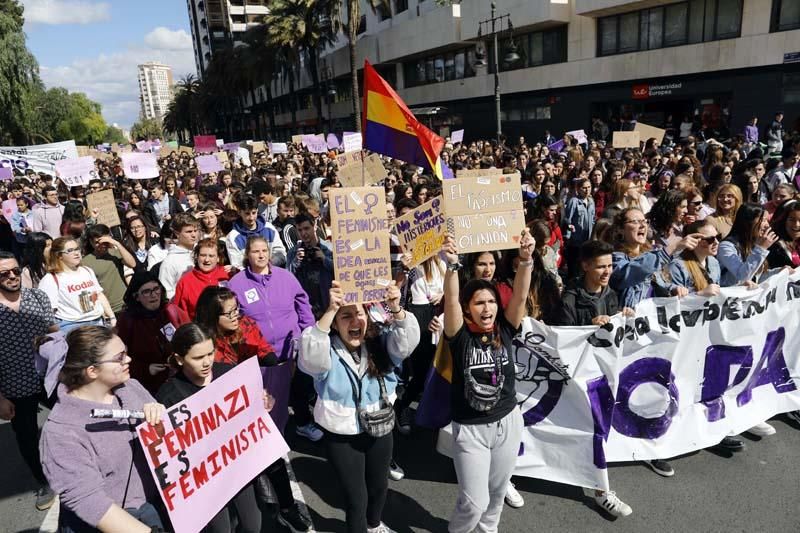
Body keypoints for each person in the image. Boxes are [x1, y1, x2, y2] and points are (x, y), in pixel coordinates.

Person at [299, 280, 420, 533]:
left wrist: (396, 309)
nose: (355, 321)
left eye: (359, 314)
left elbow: (407, 343)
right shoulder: (326, 348)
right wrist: (330, 310)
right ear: (334, 323)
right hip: (342, 436)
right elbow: (309, 360)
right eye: (345, 316)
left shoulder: (380, 343)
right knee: (357, 499)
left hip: (380, 427)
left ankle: (375, 525)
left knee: (379, 489)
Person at [192, 288, 312, 532]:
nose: (237, 315)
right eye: (229, 312)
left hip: (251, 404)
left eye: (237, 309)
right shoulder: (204, 341)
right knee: (238, 478)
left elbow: (264, 350)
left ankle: (287, 507)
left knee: (272, 459)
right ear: (213, 316)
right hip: (220, 417)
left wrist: (273, 364)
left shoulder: (245, 324)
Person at [439, 229, 532, 532]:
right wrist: (452, 266)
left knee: (496, 494)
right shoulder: (459, 336)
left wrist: (526, 260)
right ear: (468, 309)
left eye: (491, 302)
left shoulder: (505, 328)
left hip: (508, 421)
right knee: (473, 501)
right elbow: (451, 297)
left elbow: (519, 295)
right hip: (470, 429)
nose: (487, 308)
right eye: (479, 303)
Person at [39, 325, 166, 532]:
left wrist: (161, 417)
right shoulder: (60, 432)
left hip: (155, 505)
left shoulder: (132, 387)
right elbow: (89, 501)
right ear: (92, 371)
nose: (129, 360)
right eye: (120, 357)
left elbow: (166, 442)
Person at [154, 324, 266, 533]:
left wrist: (263, 403)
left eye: (210, 353)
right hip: (204, 481)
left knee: (253, 526)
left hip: (237, 468)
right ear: (179, 359)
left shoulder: (230, 374)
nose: (207, 362)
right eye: (197, 358)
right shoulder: (168, 395)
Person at [228, 236, 319, 440]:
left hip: (290, 351)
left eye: (264, 251)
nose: (260, 255)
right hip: (258, 356)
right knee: (263, 402)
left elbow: (303, 304)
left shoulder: (285, 277)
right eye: (255, 251)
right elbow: (232, 319)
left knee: (289, 396)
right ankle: (266, 441)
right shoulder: (237, 283)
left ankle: (283, 435)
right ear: (247, 255)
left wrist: (308, 331)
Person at [0, 251, 58, 510]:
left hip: (51, 377)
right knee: (26, 437)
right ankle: (44, 481)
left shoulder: (38, 297)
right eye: (4, 274)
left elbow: (54, 333)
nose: (12, 276)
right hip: (15, 386)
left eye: (15, 270)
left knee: (73, 421)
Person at [115, 271, 189, 394]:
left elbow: (191, 339)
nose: (153, 295)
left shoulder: (172, 310)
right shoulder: (127, 321)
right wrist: (146, 369)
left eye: (156, 289)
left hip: (181, 378)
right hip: (149, 386)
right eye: (146, 292)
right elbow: (120, 358)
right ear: (136, 296)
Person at [38, 237, 115, 332]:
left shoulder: (87, 270)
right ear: (59, 255)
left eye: (77, 249)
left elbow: (99, 295)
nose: (76, 253)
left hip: (98, 322)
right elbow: (48, 313)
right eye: (70, 250)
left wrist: (112, 317)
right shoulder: (50, 279)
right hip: (72, 327)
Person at [287, 213, 334, 318]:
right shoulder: (293, 253)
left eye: (307, 228)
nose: (304, 233)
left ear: (315, 226)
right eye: (300, 230)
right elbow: (287, 280)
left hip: (328, 303)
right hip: (306, 307)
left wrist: (324, 259)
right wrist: (295, 263)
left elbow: (341, 273)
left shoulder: (330, 248)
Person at [82, 224, 137, 313]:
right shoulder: (85, 262)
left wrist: (116, 243)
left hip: (126, 303)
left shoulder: (115, 253)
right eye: (97, 242)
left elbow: (132, 264)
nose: (101, 245)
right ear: (91, 242)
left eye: (104, 241)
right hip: (107, 308)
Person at [172, 238, 232, 318]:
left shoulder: (228, 274)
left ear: (218, 258)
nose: (207, 260)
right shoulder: (185, 282)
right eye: (203, 255)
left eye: (211, 256)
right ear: (197, 256)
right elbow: (179, 315)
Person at [225, 193, 286, 268]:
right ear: (239, 212)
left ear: (257, 210)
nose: (251, 218)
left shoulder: (269, 228)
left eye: (254, 213)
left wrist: (268, 264)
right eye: (247, 214)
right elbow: (237, 264)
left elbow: (281, 253)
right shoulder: (232, 237)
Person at [158, 213, 200, 299]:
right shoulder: (169, 262)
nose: (193, 235)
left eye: (195, 231)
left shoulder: (202, 251)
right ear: (177, 234)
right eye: (189, 231)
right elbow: (166, 292)